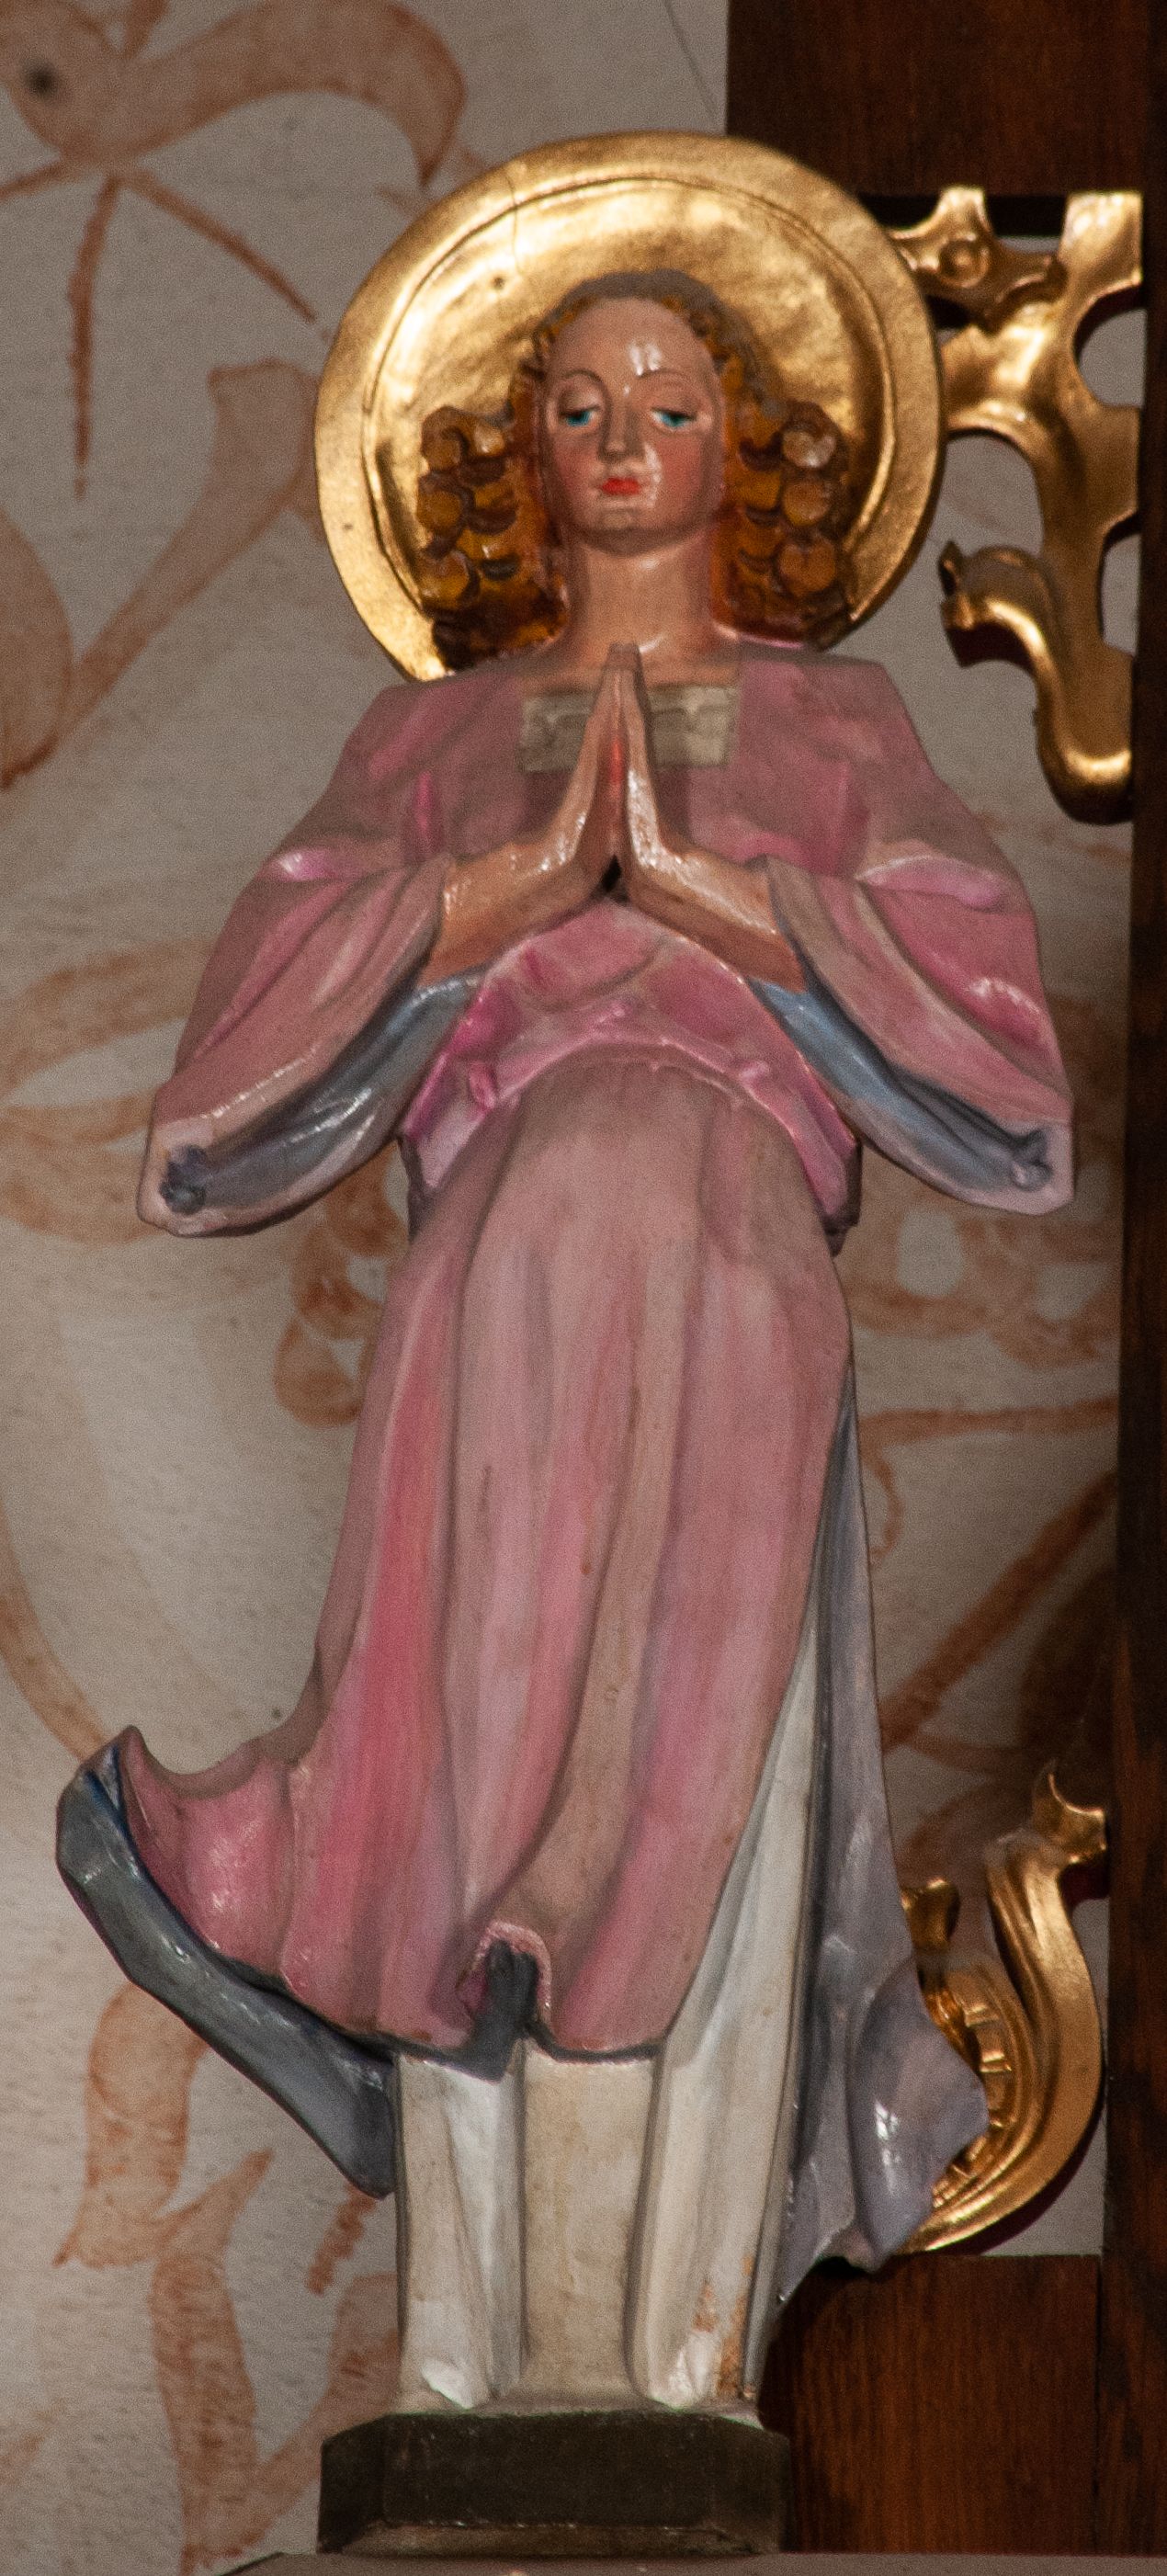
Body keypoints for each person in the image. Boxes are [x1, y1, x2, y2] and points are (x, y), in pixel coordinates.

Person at [59, 273, 1071, 2415]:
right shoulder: (430, 738)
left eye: (670, 401)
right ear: (515, 451)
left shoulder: (831, 727)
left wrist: (701, 892)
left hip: (722, 1266)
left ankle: (660, 2370)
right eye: (580, 402)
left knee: (683, 1742)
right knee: (468, 1750)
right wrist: (507, 884)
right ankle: (467, 2363)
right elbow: (232, 1062)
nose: (623, 440)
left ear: (742, 451)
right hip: (488, 1299)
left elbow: (987, 1021)